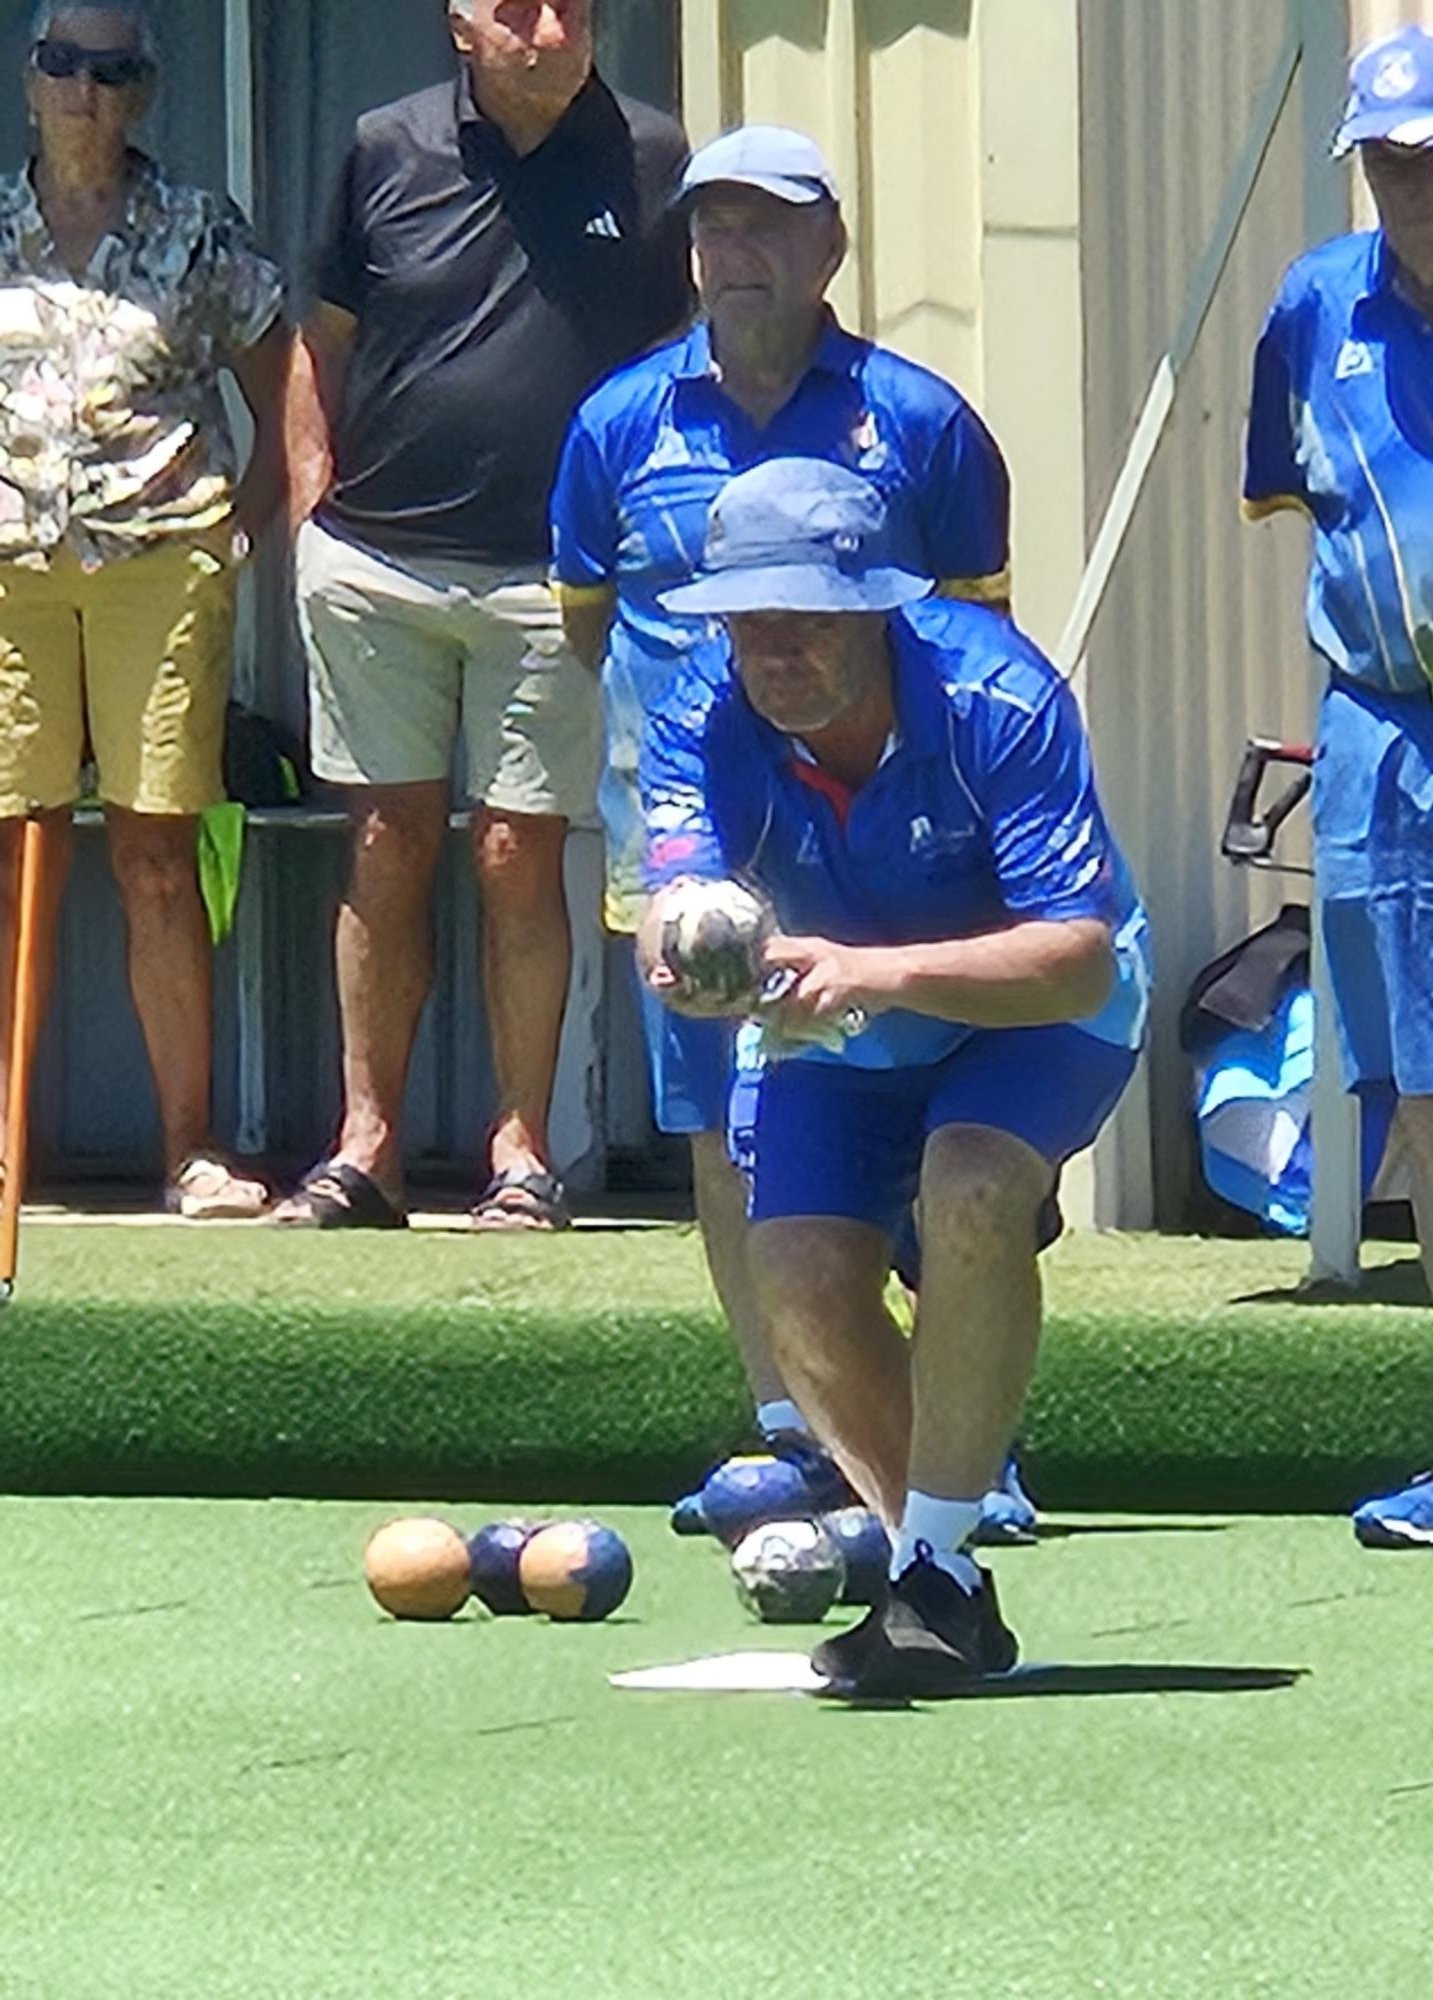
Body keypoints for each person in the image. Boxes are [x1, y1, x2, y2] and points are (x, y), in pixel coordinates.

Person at [551, 125, 1035, 1535]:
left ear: (831, 247)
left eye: (768, 228)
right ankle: (793, 1429)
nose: (735, 255)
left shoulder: (921, 423)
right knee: (719, 1127)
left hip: (893, 854)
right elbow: (599, 635)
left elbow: (967, 645)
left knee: (914, 1125)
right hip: (699, 854)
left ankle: (962, 1450)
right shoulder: (617, 426)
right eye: (714, 229)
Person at [637, 459, 1150, 1697]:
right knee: (797, 1281)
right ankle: (943, 1575)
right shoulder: (696, 711)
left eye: (805, 616)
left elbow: (1074, 957)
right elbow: (674, 886)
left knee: (972, 1180)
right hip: (840, 1013)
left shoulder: (996, 694)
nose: (773, 649)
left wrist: (877, 972)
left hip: (1030, 1009)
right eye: (746, 620)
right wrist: (680, 948)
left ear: (876, 605)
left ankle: (932, 1562)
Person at [280, 0, 690, 1230]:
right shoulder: (382, 148)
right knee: (386, 840)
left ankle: (523, 1152)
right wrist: (310, 507)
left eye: (576, 9)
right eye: (522, 9)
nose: (553, 29)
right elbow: (321, 343)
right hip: (377, 567)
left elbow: (683, 351)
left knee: (519, 855)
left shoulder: (655, 158)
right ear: (462, 24)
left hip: (553, 578)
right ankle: (369, 1148)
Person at [1246, 23, 1433, 1548]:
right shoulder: (1313, 305)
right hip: (1383, 743)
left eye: (1430, 155)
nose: (1405, 186)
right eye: (1380, 161)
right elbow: (1298, 504)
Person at [0, 0, 289, 1216]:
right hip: (10, 565)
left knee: (159, 853)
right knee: (16, 854)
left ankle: (192, 1152)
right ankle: (6, 1152)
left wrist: (244, 532)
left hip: (162, 559)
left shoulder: (198, 227)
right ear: (29, 80)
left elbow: (287, 385)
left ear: (146, 91)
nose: (84, 92)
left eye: (110, 72)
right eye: (64, 65)